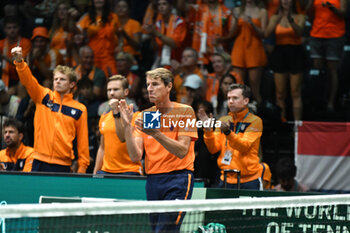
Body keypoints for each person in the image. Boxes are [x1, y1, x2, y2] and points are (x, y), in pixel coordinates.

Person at [119, 67, 198, 232]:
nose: (149, 88)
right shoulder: (145, 115)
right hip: (153, 181)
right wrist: (127, 126)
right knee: (157, 229)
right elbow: (135, 156)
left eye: (155, 84)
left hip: (178, 178)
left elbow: (182, 150)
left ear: (169, 87)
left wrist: (155, 133)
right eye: (148, 84)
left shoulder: (184, 111)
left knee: (165, 230)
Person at [11, 46, 90, 173]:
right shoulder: (44, 96)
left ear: (72, 85)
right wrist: (20, 62)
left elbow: (82, 142)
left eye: (62, 79)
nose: (58, 82)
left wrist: (82, 167)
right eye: (56, 79)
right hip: (39, 160)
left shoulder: (80, 109)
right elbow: (28, 81)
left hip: (63, 165)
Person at [198, 84, 263, 190]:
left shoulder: (255, 121)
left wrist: (228, 133)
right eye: (228, 98)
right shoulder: (223, 120)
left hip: (248, 181)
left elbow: (244, 146)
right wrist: (208, 131)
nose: (230, 101)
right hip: (225, 179)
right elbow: (213, 149)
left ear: (246, 101)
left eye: (235, 98)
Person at [93, 75, 143, 175]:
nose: (111, 93)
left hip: (130, 170)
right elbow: (102, 148)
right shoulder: (104, 117)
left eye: (116, 89)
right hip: (106, 170)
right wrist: (95, 173)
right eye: (109, 90)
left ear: (126, 92)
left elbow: (123, 138)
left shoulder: (137, 116)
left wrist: (116, 111)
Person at [265, 0, 306, 121]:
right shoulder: (275, 17)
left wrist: (291, 20)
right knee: (280, 93)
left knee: (295, 92)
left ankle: (297, 124)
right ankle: (282, 121)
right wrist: (276, 21)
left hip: (296, 53)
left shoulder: (300, 16)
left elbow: (300, 33)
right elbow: (266, 34)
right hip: (280, 53)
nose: (286, 1)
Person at [307, 0, 347, 111]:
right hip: (317, 33)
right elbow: (309, 12)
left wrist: (332, 8)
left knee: (332, 69)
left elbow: (344, 13)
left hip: (334, 34)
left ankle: (331, 102)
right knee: (317, 68)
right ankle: (317, 99)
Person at [230, 0, 268, 104]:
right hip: (239, 49)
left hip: (254, 49)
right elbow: (231, 34)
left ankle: (260, 113)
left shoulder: (262, 11)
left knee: (254, 85)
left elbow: (263, 34)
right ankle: (237, 115)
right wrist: (236, 19)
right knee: (238, 86)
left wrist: (251, 23)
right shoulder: (237, 10)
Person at [77, 0, 119, 77]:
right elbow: (77, 32)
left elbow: (119, 35)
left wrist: (119, 47)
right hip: (92, 58)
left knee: (113, 79)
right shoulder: (87, 17)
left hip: (109, 57)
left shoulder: (113, 17)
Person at [143, 0, 187, 67]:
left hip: (178, 60)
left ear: (170, 6)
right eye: (159, 5)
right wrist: (152, 35)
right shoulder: (158, 24)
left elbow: (175, 44)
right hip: (162, 60)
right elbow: (156, 47)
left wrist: (155, 33)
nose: (161, 7)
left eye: (164, 4)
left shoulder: (179, 22)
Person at [0, 16, 31, 97]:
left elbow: (21, 62)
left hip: (20, 77)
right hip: (5, 76)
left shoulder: (25, 42)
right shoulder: (1, 43)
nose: (12, 30)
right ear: (4, 30)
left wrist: (3, 56)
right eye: (9, 28)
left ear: (19, 28)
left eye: (14, 27)